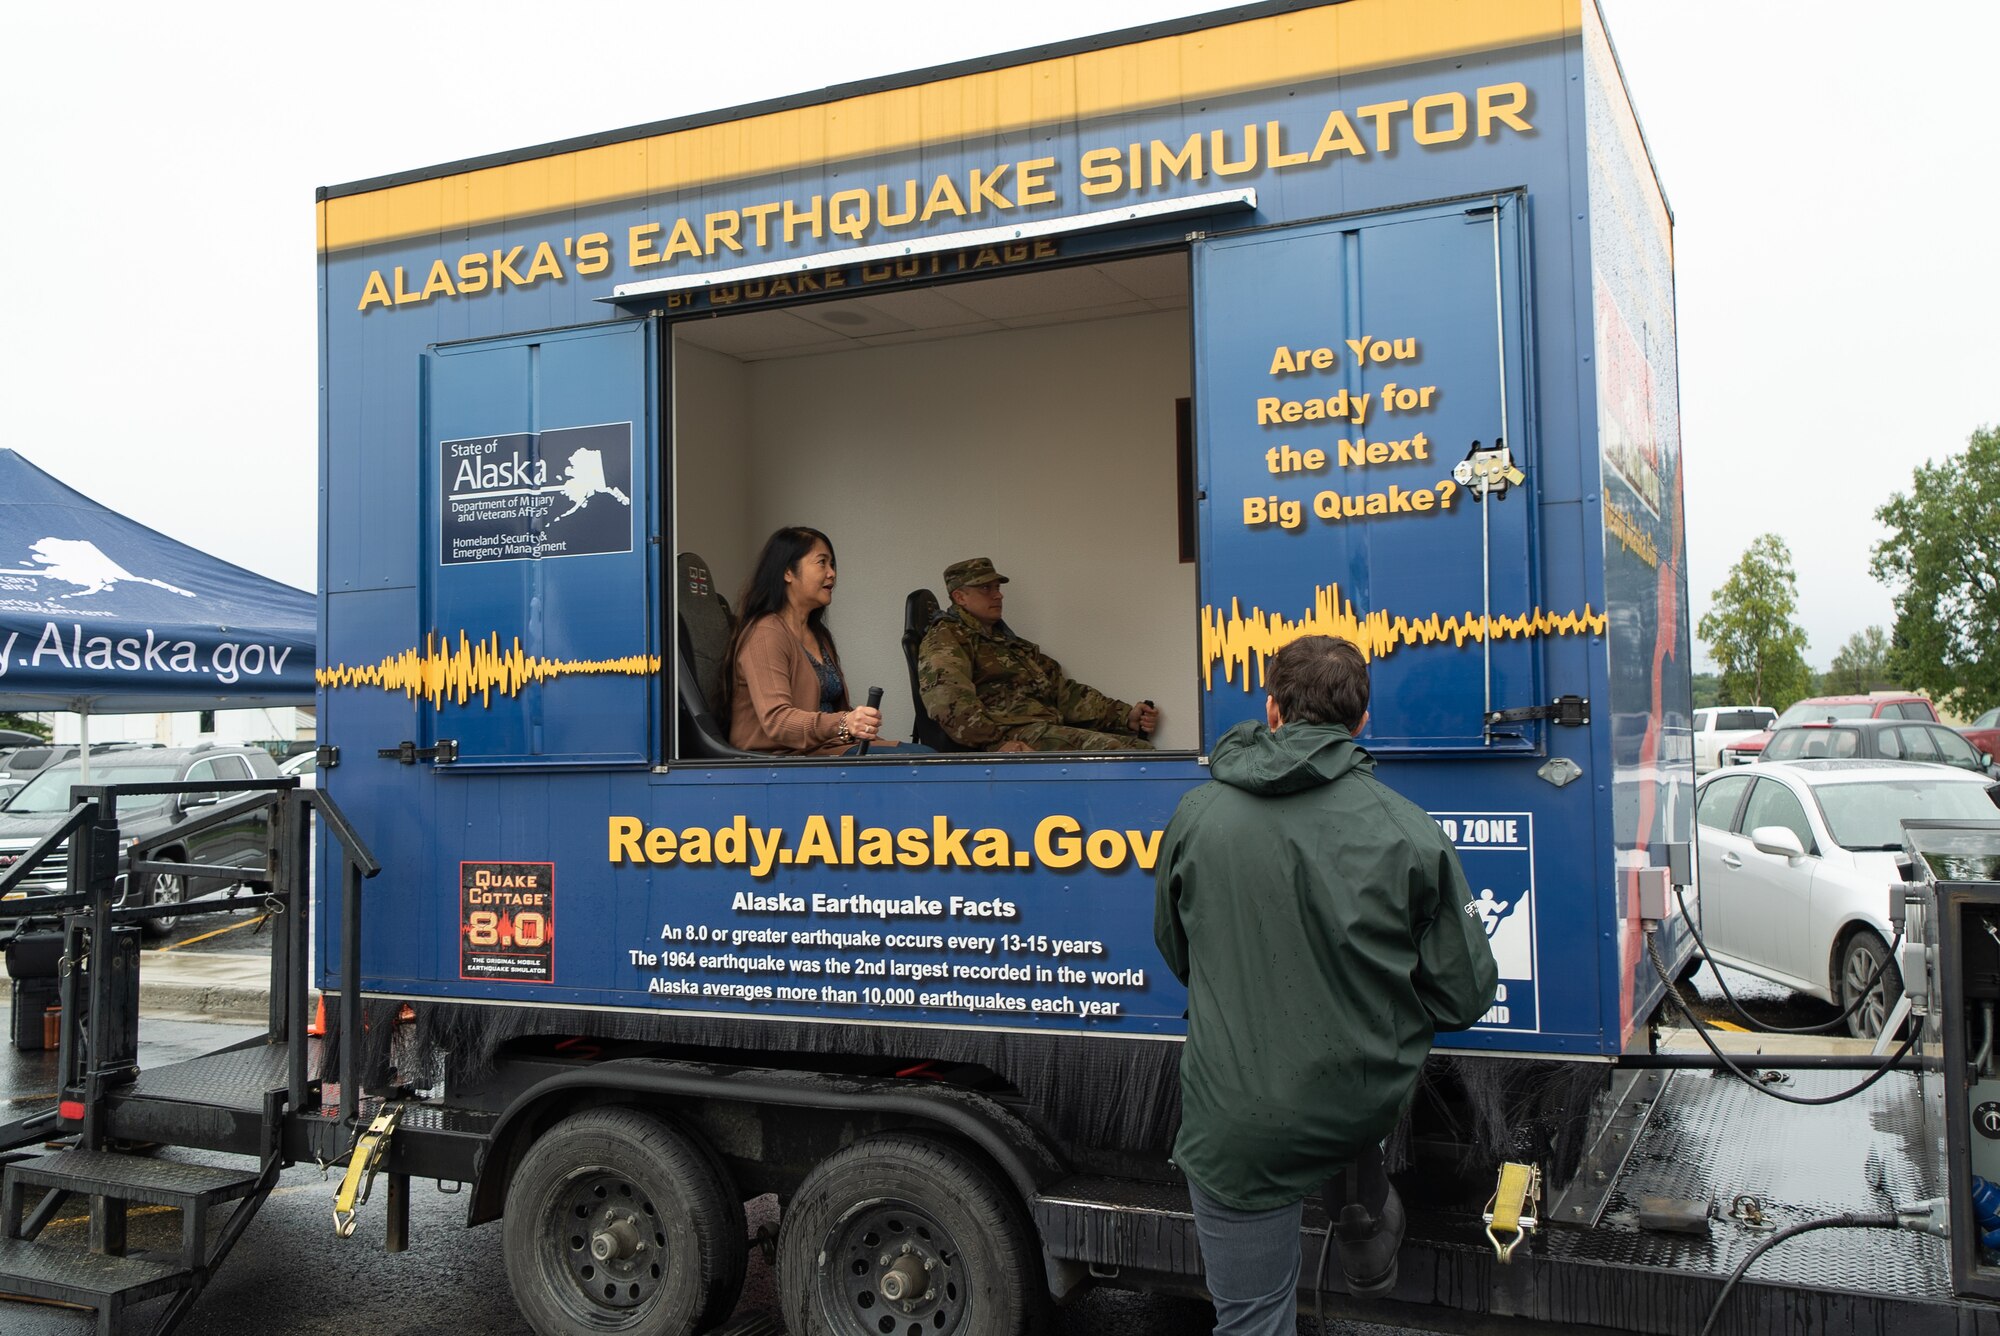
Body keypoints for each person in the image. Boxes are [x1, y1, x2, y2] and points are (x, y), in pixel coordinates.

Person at [1153, 635, 1497, 1332]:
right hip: (1357, 1097)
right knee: (1342, 1106)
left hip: (1240, 1123)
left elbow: (1176, 949)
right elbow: (1464, 995)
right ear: (1362, 721)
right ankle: (1365, 1228)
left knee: (1254, 1316)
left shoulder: (1198, 814)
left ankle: (1360, 1214)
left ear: (1272, 710)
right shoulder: (1410, 831)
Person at [916, 557, 1159, 752]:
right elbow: (948, 702)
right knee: (1122, 754)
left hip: (1039, 729)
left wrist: (1124, 715)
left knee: (1139, 749)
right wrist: (996, 743)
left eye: (997, 588)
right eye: (985, 588)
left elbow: (1062, 692)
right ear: (960, 597)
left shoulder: (1009, 643)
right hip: (1010, 737)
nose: (998, 595)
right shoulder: (947, 639)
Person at [725, 526, 918, 756]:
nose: (832, 573)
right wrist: (845, 722)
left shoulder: (819, 634)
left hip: (828, 749)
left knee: (929, 756)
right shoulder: (765, 633)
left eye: (832, 565)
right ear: (788, 572)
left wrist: (858, 723)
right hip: (788, 757)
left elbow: (837, 716)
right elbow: (777, 721)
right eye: (822, 563)